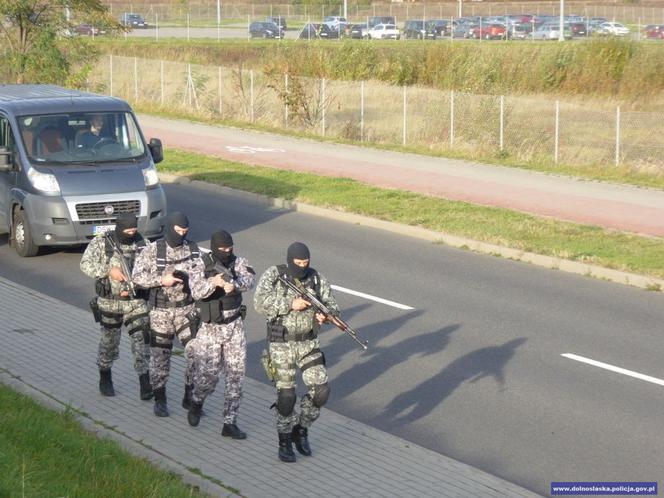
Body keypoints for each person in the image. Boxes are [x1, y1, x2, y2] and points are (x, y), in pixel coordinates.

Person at [132, 211, 226, 417]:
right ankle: (160, 398)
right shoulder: (151, 251)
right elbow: (137, 278)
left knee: (196, 354)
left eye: (185, 231)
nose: (182, 234)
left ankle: (189, 395)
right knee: (160, 356)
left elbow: (207, 273)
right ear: (170, 228)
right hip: (161, 312)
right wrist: (161, 280)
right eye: (178, 230)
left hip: (187, 311)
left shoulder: (194, 250)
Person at [254, 242, 339, 462]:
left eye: (306, 262)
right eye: (298, 263)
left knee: (321, 391)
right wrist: (290, 303)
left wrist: (326, 316)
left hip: (308, 343)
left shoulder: (317, 278)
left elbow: (331, 305)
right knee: (286, 397)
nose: (302, 266)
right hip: (281, 344)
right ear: (290, 259)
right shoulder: (274, 275)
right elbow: (260, 303)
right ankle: (284, 441)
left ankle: (301, 429)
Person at [184, 229, 256, 436]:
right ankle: (197, 401)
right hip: (210, 329)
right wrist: (213, 283)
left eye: (229, 248)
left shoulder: (239, 262)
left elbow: (249, 281)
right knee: (208, 376)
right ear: (215, 247)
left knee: (236, 375)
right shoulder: (200, 264)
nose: (226, 251)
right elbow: (196, 291)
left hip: (234, 327)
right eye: (222, 248)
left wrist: (232, 285)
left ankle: (229, 422)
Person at [80, 212, 152, 400]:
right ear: (119, 227)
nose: (131, 232)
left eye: (134, 228)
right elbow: (85, 264)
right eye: (127, 229)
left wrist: (139, 284)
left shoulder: (143, 242)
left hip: (136, 302)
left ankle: (145, 382)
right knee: (109, 342)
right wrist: (108, 271)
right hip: (110, 303)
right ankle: (105, 377)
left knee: (142, 341)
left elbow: (153, 269)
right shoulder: (103, 242)